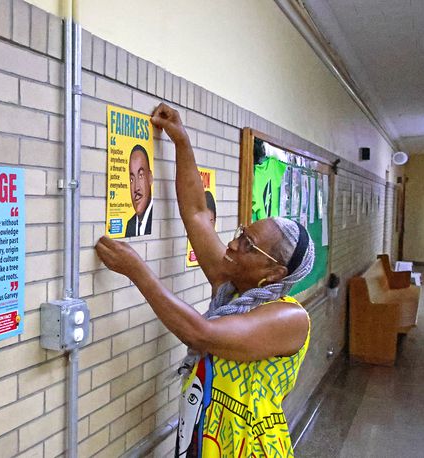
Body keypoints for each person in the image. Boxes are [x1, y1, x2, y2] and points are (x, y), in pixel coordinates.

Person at [95, 104, 314, 457]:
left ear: (275, 272)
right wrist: (181, 141)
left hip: (248, 447)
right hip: (204, 432)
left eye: (248, 245)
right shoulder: (232, 284)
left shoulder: (290, 319)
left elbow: (202, 334)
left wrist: (137, 269)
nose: (232, 244)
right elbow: (197, 213)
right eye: (242, 233)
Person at [124, 144, 154, 236]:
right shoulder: (130, 225)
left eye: (141, 175)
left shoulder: (158, 218)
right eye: (131, 179)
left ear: (150, 178)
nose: (136, 188)